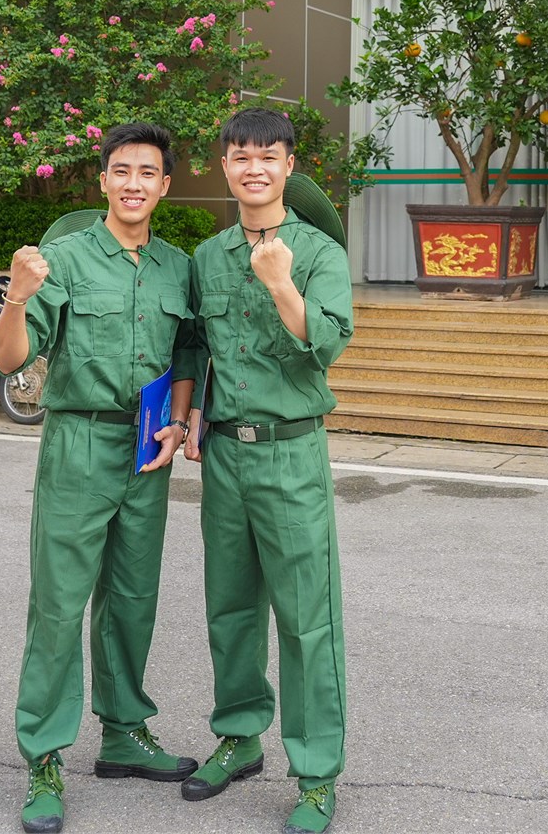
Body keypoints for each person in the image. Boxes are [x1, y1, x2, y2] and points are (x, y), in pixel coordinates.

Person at [0, 123, 201, 834]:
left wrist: (179, 421)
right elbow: (9, 359)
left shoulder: (177, 267)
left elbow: (187, 352)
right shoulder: (65, 259)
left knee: (132, 598)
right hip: (79, 441)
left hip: (147, 448)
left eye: (147, 172)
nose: (134, 183)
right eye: (122, 170)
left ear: (164, 185)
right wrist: (16, 298)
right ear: (104, 179)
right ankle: (44, 756)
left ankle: (123, 732)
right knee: (58, 603)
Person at [183, 108, 354, 834]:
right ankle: (239, 735)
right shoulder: (208, 255)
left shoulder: (318, 252)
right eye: (240, 156)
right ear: (225, 166)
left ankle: (316, 774)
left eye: (267, 156)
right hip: (225, 452)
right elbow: (195, 344)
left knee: (307, 618)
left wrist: (283, 283)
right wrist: (191, 415)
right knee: (230, 607)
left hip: (291, 451)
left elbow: (328, 345)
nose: (253, 168)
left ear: (289, 165)